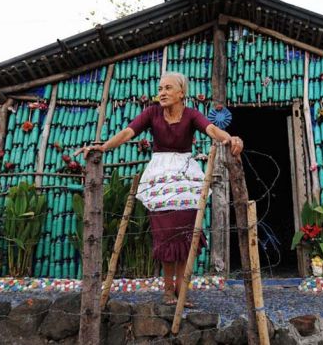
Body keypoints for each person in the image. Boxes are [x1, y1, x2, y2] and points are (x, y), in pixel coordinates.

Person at [76, 71, 243, 306]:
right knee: (165, 233)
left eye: (167, 88)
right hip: (160, 178)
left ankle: (182, 292)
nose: (162, 93)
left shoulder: (191, 115)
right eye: (160, 88)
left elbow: (212, 129)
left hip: (185, 178)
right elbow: (128, 132)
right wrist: (103, 147)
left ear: (181, 93)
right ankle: (167, 291)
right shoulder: (152, 113)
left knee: (187, 234)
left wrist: (230, 138)